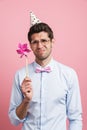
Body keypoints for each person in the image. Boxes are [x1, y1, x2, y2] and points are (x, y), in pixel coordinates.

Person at [9, 22, 82, 130]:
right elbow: (14, 120)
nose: (39, 46)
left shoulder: (69, 75)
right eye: (35, 42)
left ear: (52, 42)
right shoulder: (20, 75)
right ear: (30, 45)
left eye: (44, 40)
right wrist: (26, 101)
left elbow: (75, 118)